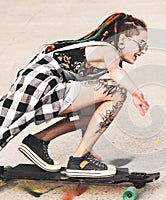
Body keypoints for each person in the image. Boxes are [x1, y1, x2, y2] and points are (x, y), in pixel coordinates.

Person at [0, 12, 149, 177]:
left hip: (44, 89)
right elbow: (115, 71)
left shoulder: (98, 51)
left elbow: (93, 110)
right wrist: (135, 92)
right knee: (117, 92)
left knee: (97, 103)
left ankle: (39, 142)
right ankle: (79, 161)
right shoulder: (107, 49)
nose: (143, 51)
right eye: (141, 45)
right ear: (122, 40)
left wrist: (88, 149)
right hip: (42, 88)